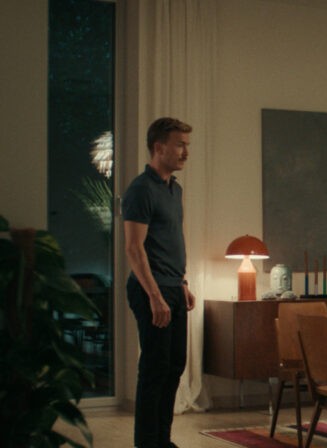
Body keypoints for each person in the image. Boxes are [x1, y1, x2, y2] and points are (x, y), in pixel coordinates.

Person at [123, 117, 196, 448]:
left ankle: (161, 441)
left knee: (174, 366)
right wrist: (154, 296)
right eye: (180, 145)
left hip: (173, 286)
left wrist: (182, 282)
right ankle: (147, 444)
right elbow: (134, 248)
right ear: (158, 147)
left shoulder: (174, 189)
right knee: (155, 369)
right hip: (150, 288)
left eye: (187, 145)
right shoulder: (140, 190)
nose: (185, 152)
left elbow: (172, 240)